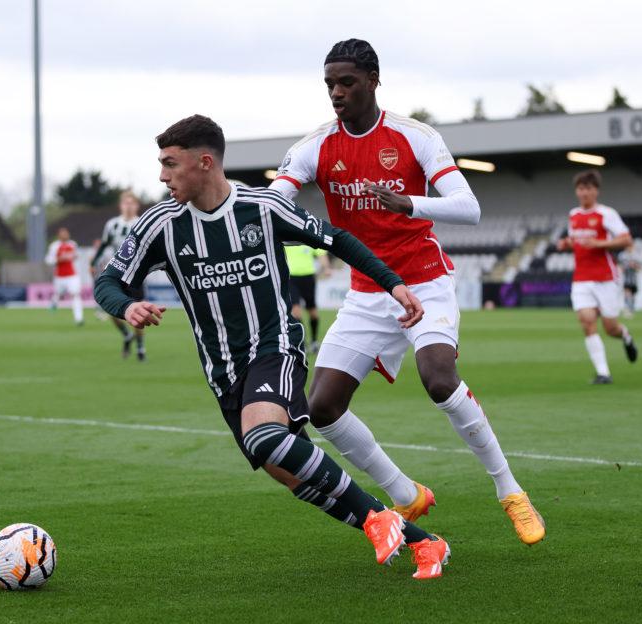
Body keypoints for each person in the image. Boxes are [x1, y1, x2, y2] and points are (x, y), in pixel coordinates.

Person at [95, 114, 450, 578]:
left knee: (265, 437)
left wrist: (393, 284)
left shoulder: (263, 207)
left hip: (274, 348)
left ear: (204, 163)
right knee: (290, 472)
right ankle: (427, 544)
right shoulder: (160, 224)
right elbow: (108, 281)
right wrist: (126, 306)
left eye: (169, 164)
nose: (161, 176)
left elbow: (336, 238)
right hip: (223, 372)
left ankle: (377, 519)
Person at [270, 39, 544, 545]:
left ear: (373, 80)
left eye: (346, 82)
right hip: (366, 292)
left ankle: (511, 492)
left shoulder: (414, 136)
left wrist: (408, 203)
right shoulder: (314, 146)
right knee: (322, 407)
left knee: (438, 378)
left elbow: (469, 207)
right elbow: (276, 203)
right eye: (329, 83)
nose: (336, 92)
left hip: (423, 279)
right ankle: (405, 492)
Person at [556, 169, 638, 383]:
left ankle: (626, 336)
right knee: (587, 322)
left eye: (588, 188)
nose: (584, 192)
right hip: (581, 278)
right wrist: (566, 243)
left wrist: (601, 243)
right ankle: (604, 373)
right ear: (577, 191)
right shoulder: (573, 215)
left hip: (605, 278)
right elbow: (576, 240)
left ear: (596, 191)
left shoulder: (606, 214)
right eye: (581, 188)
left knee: (611, 328)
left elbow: (627, 239)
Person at [91, 191, 147, 360]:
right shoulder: (112, 225)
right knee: (113, 312)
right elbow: (104, 244)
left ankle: (140, 348)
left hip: (136, 274)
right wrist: (93, 263)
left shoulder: (141, 222)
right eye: (125, 203)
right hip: (117, 274)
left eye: (132, 203)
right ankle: (126, 335)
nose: (128, 206)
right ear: (121, 205)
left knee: (139, 311)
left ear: (136, 206)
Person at [285, 244, 332, 353]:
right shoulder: (287, 240)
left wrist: (327, 267)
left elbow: (321, 253)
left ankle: (314, 341)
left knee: (313, 313)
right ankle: (302, 342)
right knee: (296, 313)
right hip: (291, 278)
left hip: (308, 278)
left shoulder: (306, 238)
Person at [44, 227, 84, 326]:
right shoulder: (55, 246)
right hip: (59, 276)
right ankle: (54, 304)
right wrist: (58, 260)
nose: (66, 235)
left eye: (66, 233)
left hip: (72, 275)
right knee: (59, 295)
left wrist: (75, 257)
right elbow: (48, 260)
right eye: (63, 233)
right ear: (59, 235)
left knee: (75, 295)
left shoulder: (73, 244)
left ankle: (79, 319)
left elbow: (76, 255)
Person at [618, 244, 641, 318]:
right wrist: (624, 267)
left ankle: (631, 309)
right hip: (625, 279)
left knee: (632, 296)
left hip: (634, 280)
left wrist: (633, 265)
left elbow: (639, 268)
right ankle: (627, 309)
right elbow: (620, 267)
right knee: (627, 294)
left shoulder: (636, 256)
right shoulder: (622, 255)